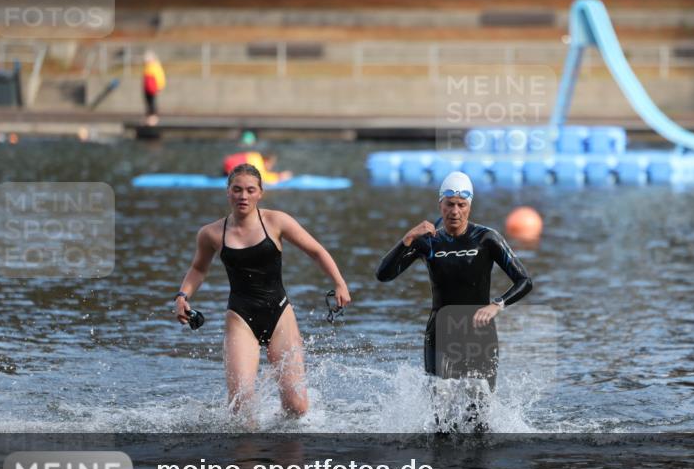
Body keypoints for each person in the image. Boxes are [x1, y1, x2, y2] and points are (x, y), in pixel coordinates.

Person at [175, 163, 351, 420]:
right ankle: (250, 455)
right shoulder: (211, 233)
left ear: (260, 193)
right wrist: (182, 296)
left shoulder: (277, 221)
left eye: (250, 190)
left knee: (297, 407)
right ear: (228, 192)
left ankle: (280, 446)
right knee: (240, 407)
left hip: (279, 314)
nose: (243, 196)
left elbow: (316, 251)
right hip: (239, 318)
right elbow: (198, 269)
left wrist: (339, 283)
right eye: (237, 189)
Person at [375, 171, 533, 432]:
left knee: (479, 419)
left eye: (462, 205)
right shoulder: (427, 242)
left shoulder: (487, 239)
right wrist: (407, 239)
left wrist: (497, 304)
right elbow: (383, 275)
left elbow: (525, 280)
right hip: (440, 333)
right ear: (440, 204)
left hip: (480, 334)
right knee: (441, 420)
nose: (455, 211)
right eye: (449, 204)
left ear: (470, 206)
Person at [142, 51, 166, 126]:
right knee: (148, 103)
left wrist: (160, 87)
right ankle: (149, 118)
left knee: (152, 103)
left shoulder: (155, 66)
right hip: (147, 88)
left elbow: (160, 78)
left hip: (152, 88)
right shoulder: (147, 67)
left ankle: (153, 119)